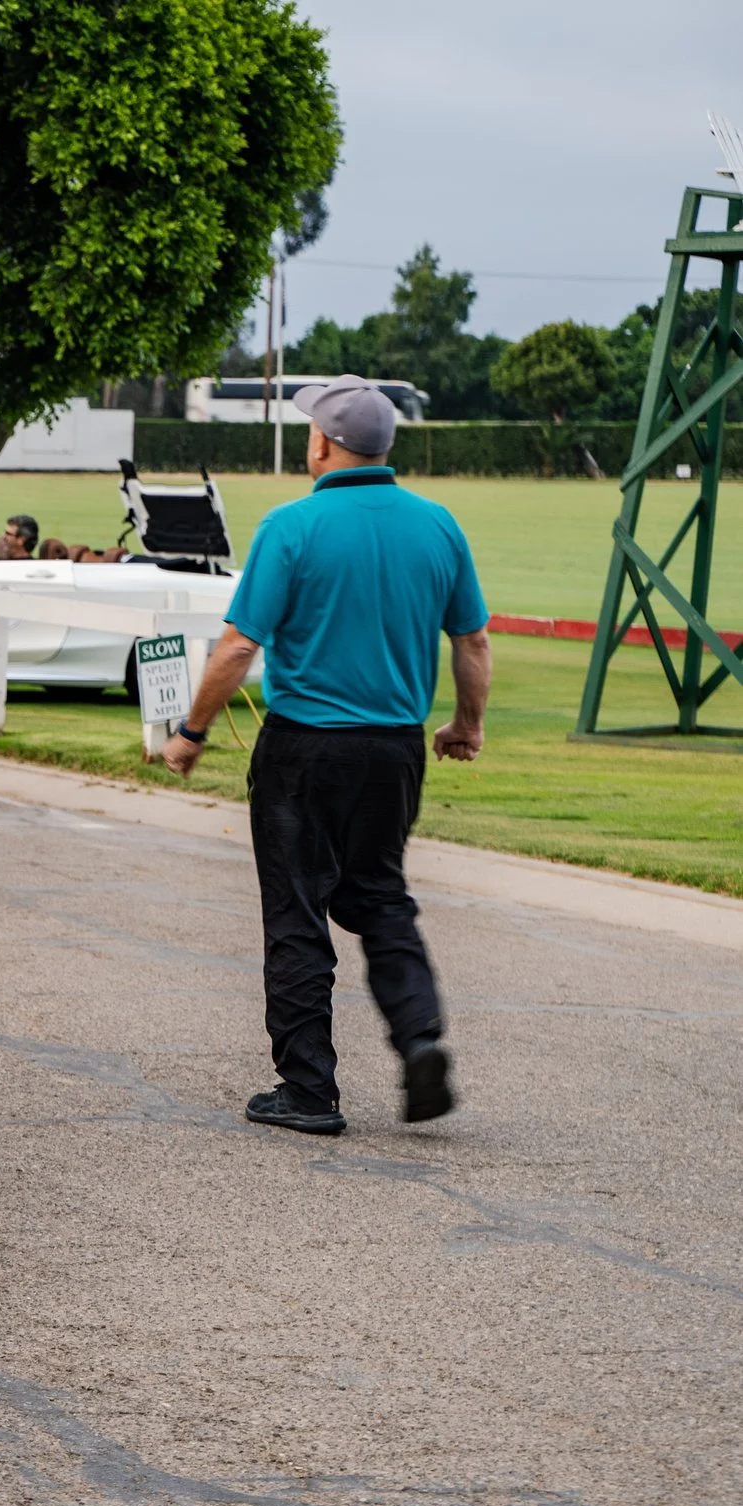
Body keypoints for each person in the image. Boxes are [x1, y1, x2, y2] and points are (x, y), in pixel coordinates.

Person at [162, 373, 490, 1137]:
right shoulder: (438, 526)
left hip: (305, 748)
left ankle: (309, 1088)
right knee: (379, 895)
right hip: (395, 749)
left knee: (298, 908)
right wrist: (464, 726)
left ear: (321, 442)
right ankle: (420, 1039)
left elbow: (239, 644)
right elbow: (471, 639)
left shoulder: (292, 526)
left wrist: (193, 731)